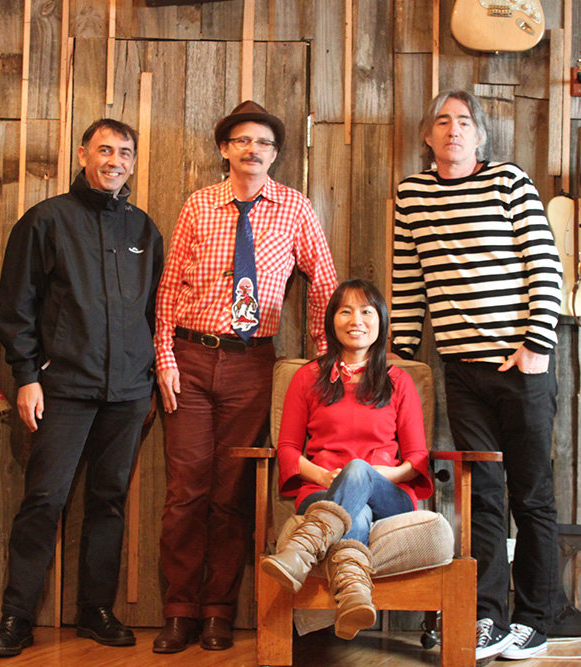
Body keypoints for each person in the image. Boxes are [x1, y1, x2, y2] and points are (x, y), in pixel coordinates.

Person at [153, 100, 337, 653]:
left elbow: (324, 282)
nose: (252, 150)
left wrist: (326, 356)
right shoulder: (199, 204)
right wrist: (165, 358)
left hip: (253, 363)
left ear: (274, 154)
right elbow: (169, 288)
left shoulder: (296, 207)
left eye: (263, 142)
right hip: (190, 358)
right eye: (242, 140)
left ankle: (218, 612)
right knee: (186, 490)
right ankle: (179, 610)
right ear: (225, 149)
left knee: (231, 493)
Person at [391, 90, 563, 662]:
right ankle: (489, 616)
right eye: (442, 121)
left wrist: (536, 344)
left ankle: (535, 621)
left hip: (520, 368)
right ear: (428, 136)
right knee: (483, 497)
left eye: (464, 122)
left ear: (479, 135)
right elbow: (408, 279)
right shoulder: (412, 195)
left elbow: (545, 263)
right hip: (461, 375)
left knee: (531, 496)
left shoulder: (508, 182)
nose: (454, 130)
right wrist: (400, 354)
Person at [0, 119, 163, 657]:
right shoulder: (45, 220)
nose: (115, 160)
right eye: (104, 150)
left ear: (133, 162)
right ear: (83, 154)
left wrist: (150, 380)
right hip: (61, 387)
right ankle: (17, 617)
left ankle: (96, 611)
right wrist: (26, 376)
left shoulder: (143, 230)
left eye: (125, 152)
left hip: (129, 392)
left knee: (109, 502)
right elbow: (16, 306)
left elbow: (156, 311)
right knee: (44, 500)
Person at [261, 279, 433, 640]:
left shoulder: (399, 381)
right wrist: (325, 478)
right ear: (332, 321)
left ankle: (302, 549)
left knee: (359, 472)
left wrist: (373, 475)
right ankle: (354, 595)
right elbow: (288, 449)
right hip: (321, 489)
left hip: (389, 494)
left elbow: (417, 457)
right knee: (359, 511)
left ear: (381, 321)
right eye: (346, 311)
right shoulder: (307, 378)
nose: (356, 320)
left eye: (367, 311)